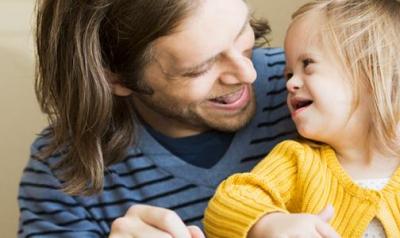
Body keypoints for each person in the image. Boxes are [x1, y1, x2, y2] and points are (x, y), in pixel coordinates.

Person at [18, 0, 296, 237]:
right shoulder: (63, 172)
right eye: (200, 68)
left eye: (240, 34)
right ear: (114, 77)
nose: (247, 73)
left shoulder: (316, 90)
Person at [204, 0, 400, 237]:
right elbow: (226, 203)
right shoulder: (297, 161)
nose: (290, 83)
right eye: (288, 73)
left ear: (373, 71)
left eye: (307, 64)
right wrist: (268, 224)